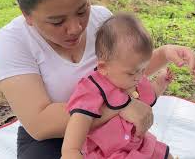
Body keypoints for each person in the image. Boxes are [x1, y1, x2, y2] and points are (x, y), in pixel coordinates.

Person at [0, 0, 195, 158]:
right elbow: (41, 123)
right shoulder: (14, 41)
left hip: (111, 133)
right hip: (53, 140)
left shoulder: (102, 20)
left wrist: (165, 54)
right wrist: (120, 105)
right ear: (27, 15)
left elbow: (124, 72)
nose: (75, 28)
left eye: (82, 10)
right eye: (57, 22)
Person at [62, 13, 174, 159]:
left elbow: (148, 96)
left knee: (166, 155)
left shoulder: (134, 78)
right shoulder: (92, 88)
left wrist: (161, 82)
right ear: (103, 67)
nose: (139, 77)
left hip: (139, 144)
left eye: (143, 69)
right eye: (132, 73)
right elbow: (78, 122)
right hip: (107, 152)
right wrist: (71, 152)